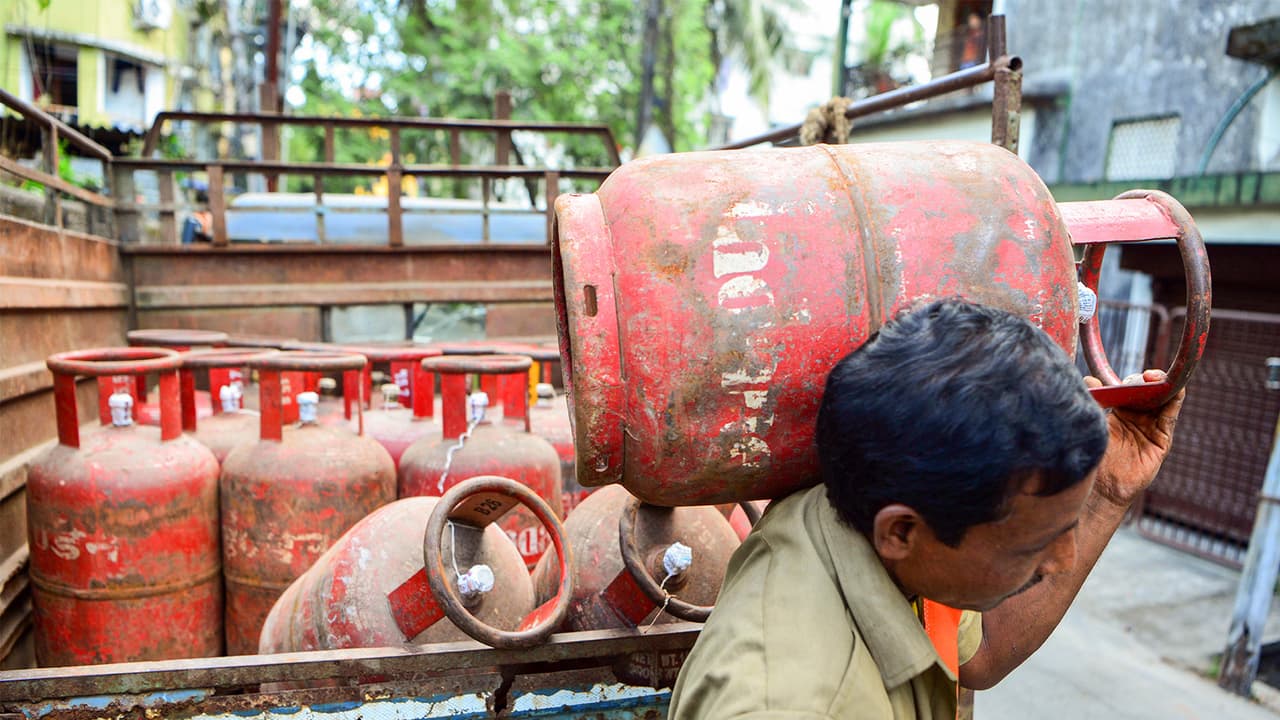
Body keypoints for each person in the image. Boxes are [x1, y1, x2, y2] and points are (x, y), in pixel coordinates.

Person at [668, 298, 1185, 720]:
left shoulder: (870, 504)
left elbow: (981, 654)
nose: (1063, 560)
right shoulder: (791, 703)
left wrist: (1109, 493)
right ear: (900, 532)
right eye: (1034, 544)